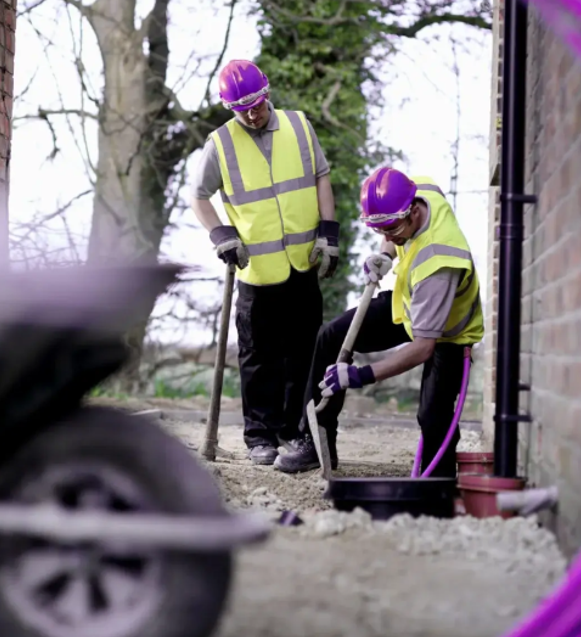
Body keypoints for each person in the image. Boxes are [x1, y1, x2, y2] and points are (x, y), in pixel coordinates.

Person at [274, 167, 484, 477]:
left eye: (391, 229)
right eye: (379, 230)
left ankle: (435, 482)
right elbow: (391, 234)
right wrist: (385, 254)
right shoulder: (421, 189)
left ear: (413, 212)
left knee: (433, 417)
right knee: (331, 336)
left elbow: (423, 347)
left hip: (446, 333)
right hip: (410, 307)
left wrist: (359, 376)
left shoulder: (440, 261)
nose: (386, 237)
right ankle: (316, 444)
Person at [191, 59, 340, 465]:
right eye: (243, 110)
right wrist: (221, 235)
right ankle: (259, 437)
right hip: (255, 269)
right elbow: (199, 197)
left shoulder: (299, 126)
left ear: (267, 93)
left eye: (256, 105)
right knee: (258, 357)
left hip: (302, 262)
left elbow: (320, 177)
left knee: (304, 353)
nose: (252, 114)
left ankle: (293, 433)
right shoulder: (220, 143)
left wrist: (329, 232)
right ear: (231, 108)